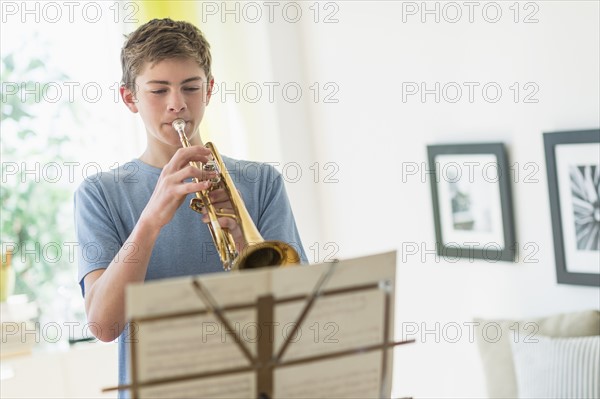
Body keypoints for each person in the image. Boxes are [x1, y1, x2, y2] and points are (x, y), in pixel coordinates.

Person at [74, 18, 307, 397]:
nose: (177, 104)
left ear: (209, 90)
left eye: (190, 87)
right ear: (129, 98)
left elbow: (296, 312)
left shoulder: (261, 182)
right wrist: (150, 221)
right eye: (158, 90)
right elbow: (103, 326)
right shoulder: (99, 193)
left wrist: (241, 237)